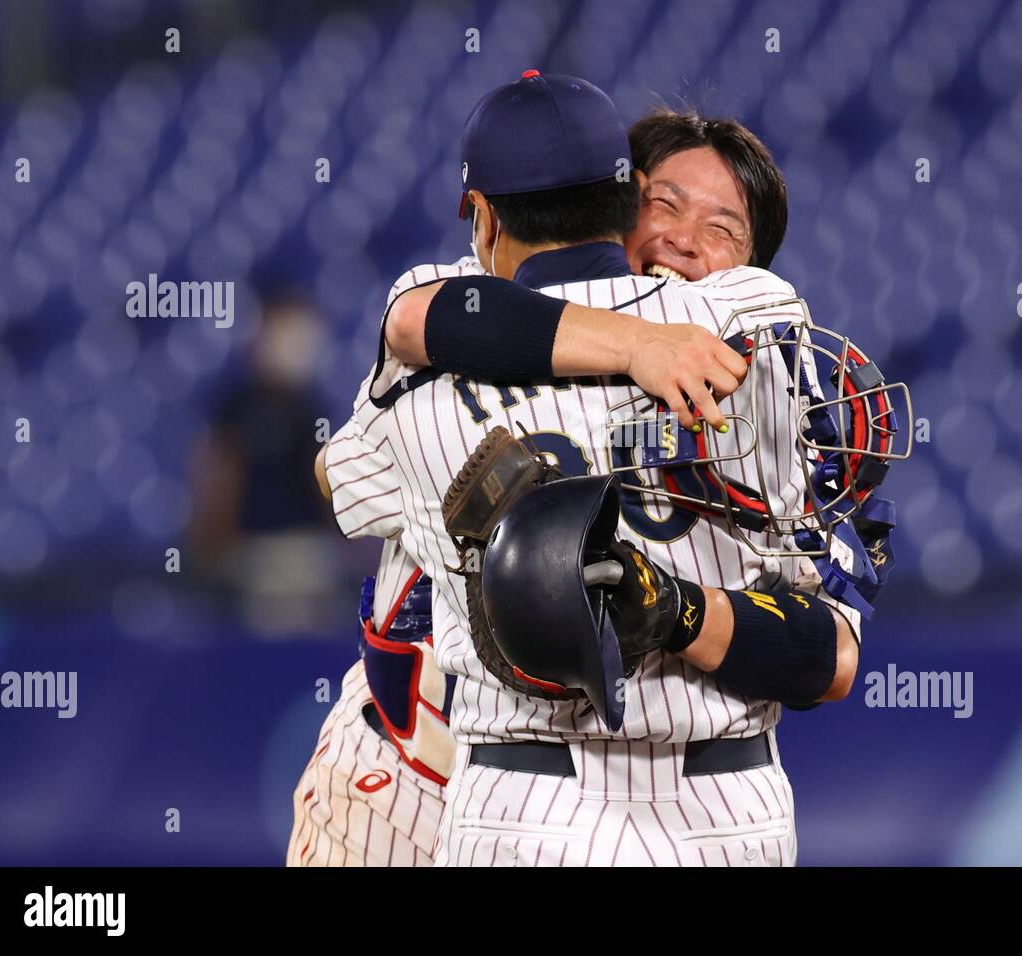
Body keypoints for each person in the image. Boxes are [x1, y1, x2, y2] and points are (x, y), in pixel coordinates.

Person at [313, 72, 864, 867]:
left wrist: (670, 608)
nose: (681, 240)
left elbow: (344, 470)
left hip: (563, 794)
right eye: (666, 206)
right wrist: (637, 346)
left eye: (723, 228)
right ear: (624, 199)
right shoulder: (757, 325)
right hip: (414, 768)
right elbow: (414, 327)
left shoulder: (441, 334)